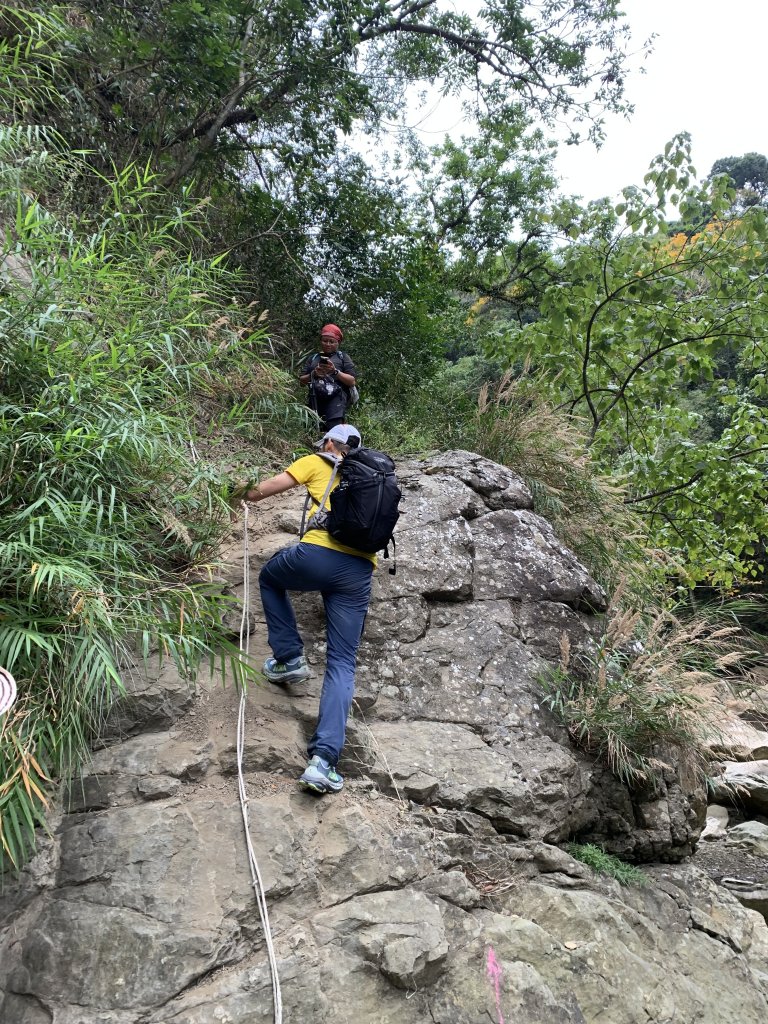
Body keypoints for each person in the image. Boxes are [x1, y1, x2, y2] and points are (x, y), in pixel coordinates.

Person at [239, 424, 373, 795]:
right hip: (359, 571)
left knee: (269, 578)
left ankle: (290, 659)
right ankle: (323, 763)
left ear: (331, 443)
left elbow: (262, 490)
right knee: (343, 663)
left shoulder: (317, 462)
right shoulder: (370, 475)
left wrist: (227, 491)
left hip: (315, 554)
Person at [299, 324, 357, 431]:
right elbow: (301, 381)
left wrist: (335, 372)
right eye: (325, 341)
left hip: (336, 404)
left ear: (338, 343)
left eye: (332, 341)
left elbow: (352, 381)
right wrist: (313, 374)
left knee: (333, 434)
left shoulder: (343, 357)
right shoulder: (313, 358)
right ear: (321, 341)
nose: (328, 344)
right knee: (311, 433)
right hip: (314, 402)